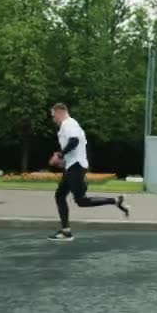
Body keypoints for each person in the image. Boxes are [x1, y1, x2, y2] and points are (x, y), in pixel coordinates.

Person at [48, 103, 130, 241]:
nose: (53, 119)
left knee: (80, 200)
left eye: (53, 115)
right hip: (73, 166)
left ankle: (115, 201)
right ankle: (65, 230)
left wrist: (60, 155)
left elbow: (74, 141)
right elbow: (76, 146)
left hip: (76, 167)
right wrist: (63, 160)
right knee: (60, 195)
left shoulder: (68, 124)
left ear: (60, 112)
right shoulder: (70, 125)